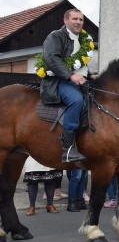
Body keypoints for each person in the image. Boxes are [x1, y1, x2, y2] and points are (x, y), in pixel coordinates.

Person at [39, 8, 90, 163]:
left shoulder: (83, 39)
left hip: (79, 80)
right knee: (76, 100)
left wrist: (91, 74)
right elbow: (52, 58)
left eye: (81, 19)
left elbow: (80, 63)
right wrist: (70, 75)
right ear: (65, 20)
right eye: (75, 19)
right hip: (58, 81)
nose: (78, 22)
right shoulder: (56, 36)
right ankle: (67, 148)